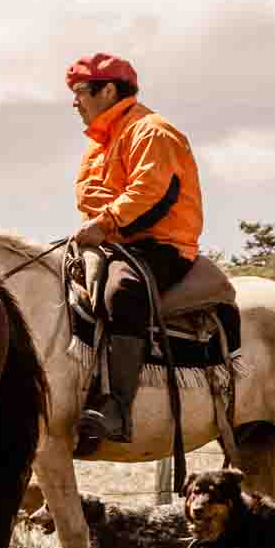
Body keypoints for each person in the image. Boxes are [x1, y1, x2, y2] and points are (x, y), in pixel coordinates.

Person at [66, 53, 204, 443]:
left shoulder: (153, 131)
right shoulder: (99, 143)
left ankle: (116, 408)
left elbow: (149, 195)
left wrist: (105, 223)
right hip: (116, 241)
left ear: (107, 90)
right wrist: (98, 225)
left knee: (122, 291)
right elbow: (90, 197)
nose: (74, 102)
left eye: (80, 92)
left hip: (160, 245)